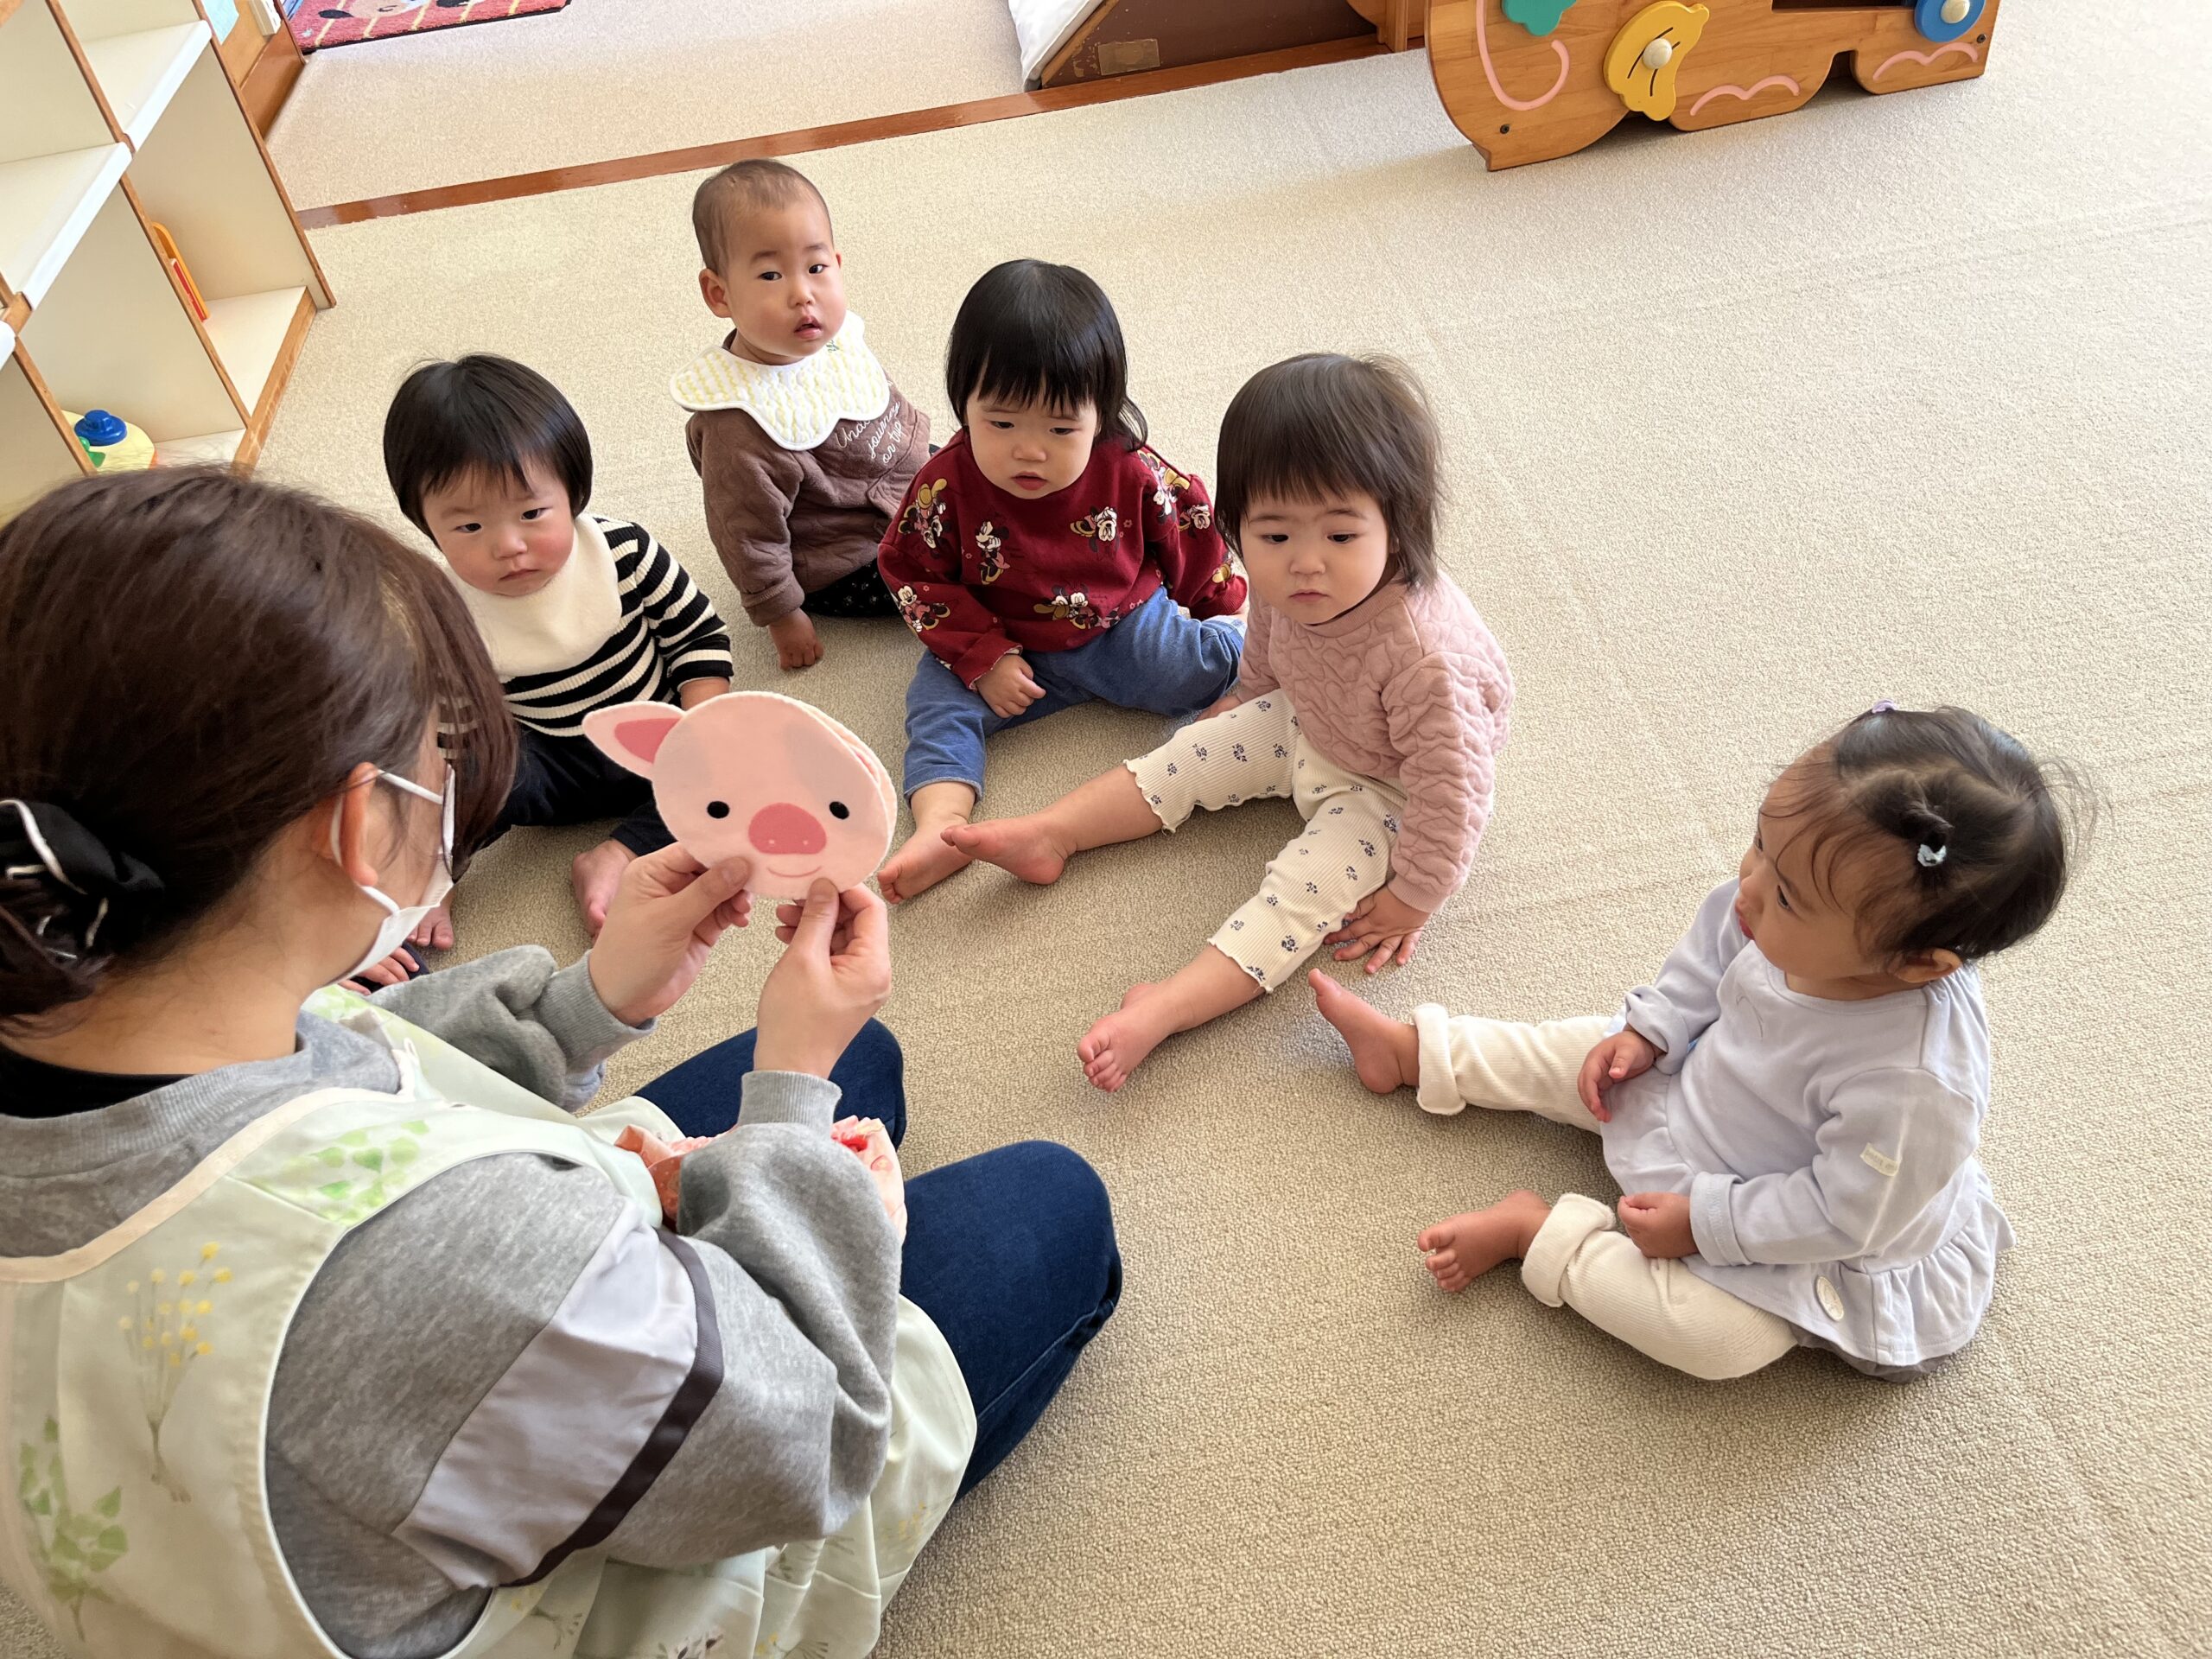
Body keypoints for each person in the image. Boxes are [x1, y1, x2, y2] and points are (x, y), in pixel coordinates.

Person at [0, 469, 1119, 1659]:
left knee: (867, 1063)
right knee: (1052, 1205)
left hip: (332, 1421)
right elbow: (803, 1446)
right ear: (358, 823)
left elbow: (348, 1061)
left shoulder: (84, 984)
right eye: (439, 750)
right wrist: (790, 1089)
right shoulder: (451, 1255)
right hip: (568, 1526)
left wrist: (588, 1002)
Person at [1314, 703, 2082, 1381]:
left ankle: (1538, 1232)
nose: (1749, 885)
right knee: (1585, 1047)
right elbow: (1709, 957)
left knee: (1716, 1340)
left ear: (1918, 962)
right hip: (1701, 1089)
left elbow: (1841, 1214)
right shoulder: (1771, 900)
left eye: (1786, 895)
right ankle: (1417, 1053)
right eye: (1759, 845)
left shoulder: (1915, 1087)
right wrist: (1654, 1030)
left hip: (1793, 1228)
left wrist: (1706, 1223)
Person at [952, 354, 1512, 1090]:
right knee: (1183, 756)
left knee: (1297, 897)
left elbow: (1452, 795)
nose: (1305, 565)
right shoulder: (1288, 582)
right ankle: (1052, 832)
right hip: (1310, 717)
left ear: (1399, 528)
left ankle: (1164, 1009)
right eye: (1274, 537)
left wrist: (1416, 895)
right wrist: (1245, 699)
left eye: (1341, 537)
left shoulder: (1427, 662)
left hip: (1391, 793)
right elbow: (1268, 648)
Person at [874, 257, 1247, 903]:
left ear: (1101, 415)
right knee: (935, 708)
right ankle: (940, 827)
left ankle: (1252, 644)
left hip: (1120, 625)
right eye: (1001, 423)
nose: (1030, 450)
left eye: (1061, 428)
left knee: (1206, 671)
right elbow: (910, 571)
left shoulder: (1131, 470)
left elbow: (1190, 528)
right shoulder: (944, 484)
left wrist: (1223, 606)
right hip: (1000, 640)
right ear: (963, 404)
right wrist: (981, 655)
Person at [385, 353, 734, 937]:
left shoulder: (623, 553)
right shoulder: (447, 616)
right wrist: (454, 817)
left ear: (572, 494)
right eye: (469, 527)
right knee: (465, 782)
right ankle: (435, 876)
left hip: (653, 737)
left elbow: (698, 636)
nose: (508, 545)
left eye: (531, 513)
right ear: (425, 525)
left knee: (732, 773)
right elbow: (458, 733)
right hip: (548, 765)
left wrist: (701, 728)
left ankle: (617, 854)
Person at [677, 159, 933, 671]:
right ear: (719, 294)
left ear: (837, 263)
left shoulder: (836, 344)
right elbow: (747, 536)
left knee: (991, 471)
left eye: (816, 268)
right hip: (843, 557)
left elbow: (890, 414)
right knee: (959, 575)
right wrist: (782, 614)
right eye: (771, 275)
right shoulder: (740, 425)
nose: (803, 294)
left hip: (893, 485)